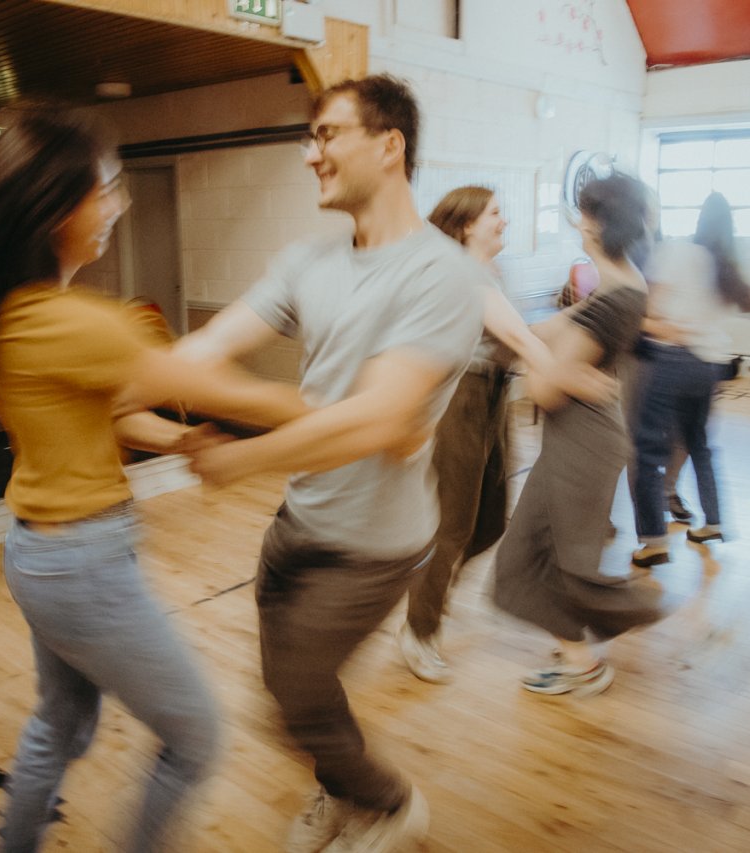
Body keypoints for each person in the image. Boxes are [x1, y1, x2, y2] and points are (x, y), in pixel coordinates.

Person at [0, 105, 311, 852]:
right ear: (57, 208)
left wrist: (182, 438)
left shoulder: (19, 315)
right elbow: (237, 395)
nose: (118, 204)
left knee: (62, 726)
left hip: (41, 555)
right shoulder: (76, 323)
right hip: (83, 566)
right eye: (109, 187)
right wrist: (354, 410)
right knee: (195, 736)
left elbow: (115, 416)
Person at [173, 75, 483, 852]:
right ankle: (341, 786)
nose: (311, 153)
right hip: (299, 522)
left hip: (375, 542)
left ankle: (388, 800)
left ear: (389, 145)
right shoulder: (306, 260)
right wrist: (126, 372)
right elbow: (205, 349)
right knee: (286, 694)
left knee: (298, 701)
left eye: (328, 134)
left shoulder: (442, 273)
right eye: (309, 138)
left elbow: (377, 420)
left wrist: (240, 459)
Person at [398, 186, 613, 684]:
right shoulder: (460, 272)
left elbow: (519, 331)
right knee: (453, 524)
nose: (505, 221)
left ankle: (430, 595)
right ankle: (418, 627)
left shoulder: (495, 272)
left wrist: (589, 316)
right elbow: (518, 338)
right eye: (495, 213)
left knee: (490, 523)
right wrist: (571, 376)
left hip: (492, 397)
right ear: (468, 224)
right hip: (459, 401)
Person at [491, 172, 664, 698]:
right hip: (581, 441)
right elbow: (554, 333)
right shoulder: (620, 282)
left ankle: (621, 643)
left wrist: (546, 369)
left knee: (555, 564)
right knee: (536, 557)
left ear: (596, 224)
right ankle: (577, 656)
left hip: (583, 444)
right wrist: (529, 341)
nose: (576, 222)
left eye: (584, 213)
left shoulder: (616, 297)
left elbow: (545, 393)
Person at [631, 192, 750, 566]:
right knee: (700, 446)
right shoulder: (727, 266)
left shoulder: (678, 252)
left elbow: (653, 308)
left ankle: (654, 541)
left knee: (649, 452)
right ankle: (714, 521)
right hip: (709, 366)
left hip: (671, 358)